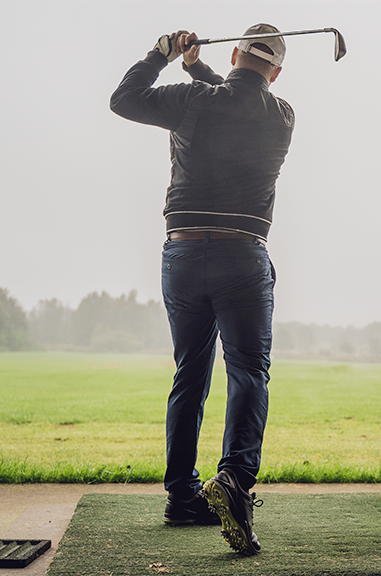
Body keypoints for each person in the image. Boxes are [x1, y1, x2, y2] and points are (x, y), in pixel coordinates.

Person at [110, 24, 294, 556]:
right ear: (277, 72)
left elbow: (124, 99)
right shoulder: (282, 115)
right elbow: (239, 97)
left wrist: (163, 55)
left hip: (184, 253)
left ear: (233, 53)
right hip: (242, 255)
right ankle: (234, 479)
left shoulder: (192, 100)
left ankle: (183, 497)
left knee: (190, 372)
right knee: (248, 371)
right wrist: (195, 68)